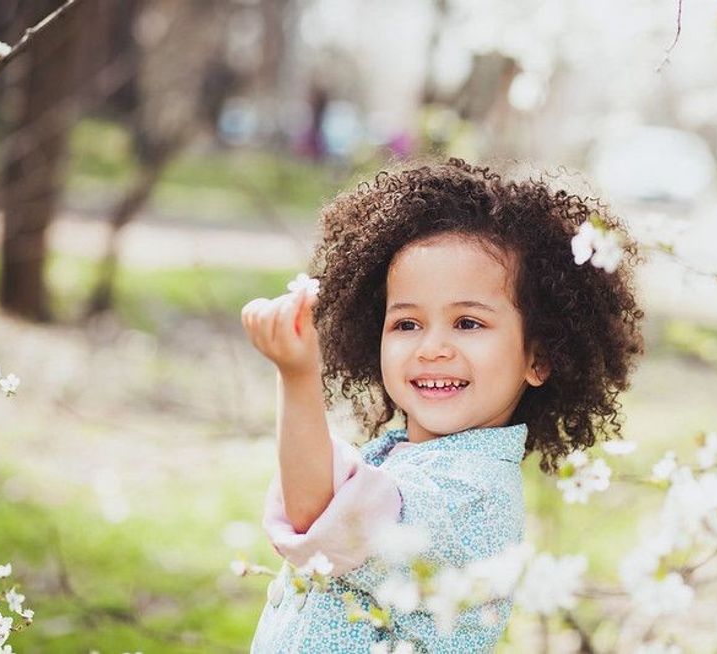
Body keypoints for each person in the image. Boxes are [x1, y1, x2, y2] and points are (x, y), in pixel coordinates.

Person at [240, 158, 645, 653]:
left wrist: (297, 375)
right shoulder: (401, 455)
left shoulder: (469, 495)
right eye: (407, 324)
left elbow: (317, 512)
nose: (432, 348)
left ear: (538, 358)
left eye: (468, 324)